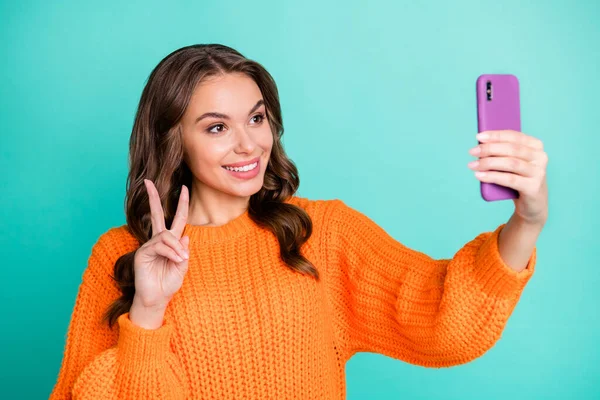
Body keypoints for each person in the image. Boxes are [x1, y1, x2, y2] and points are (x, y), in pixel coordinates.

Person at [49, 44, 548, 400]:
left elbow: (442, 319)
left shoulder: (321, 233)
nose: (248, 144)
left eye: (257, 118)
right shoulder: (121, 255)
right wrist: (148, 311)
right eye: (217, 127)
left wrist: (527, 220)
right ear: (173, 141)